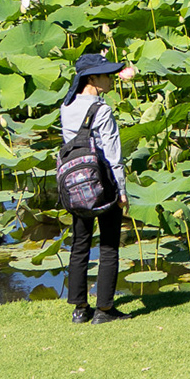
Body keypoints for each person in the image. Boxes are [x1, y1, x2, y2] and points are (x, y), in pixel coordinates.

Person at [62, 53, 130, 324]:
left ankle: (79, 309)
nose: (111, 78)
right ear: (92, 79)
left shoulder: (66, 106)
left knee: (80, 244)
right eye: (106, 74)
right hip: (103, 181)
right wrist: (122, 191)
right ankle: (104, 310)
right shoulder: (102, 110)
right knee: (109, 245)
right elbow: (113, 154)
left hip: (76, 183)